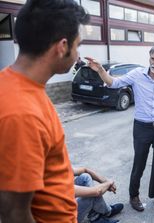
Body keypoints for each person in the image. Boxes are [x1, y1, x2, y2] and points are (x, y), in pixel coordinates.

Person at [0, 1, 89, 222]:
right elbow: (14, 213)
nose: (78, 55)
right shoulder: (22, 113)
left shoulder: (16, 85)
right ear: (62, 47)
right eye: (78, 46)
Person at [85, 44, 154, 212]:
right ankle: (133, 195)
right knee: (139, 163)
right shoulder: (137, 75)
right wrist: (100, 70)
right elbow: (113, 82)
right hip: (142, 127)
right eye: (153, 59)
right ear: (149, 58)